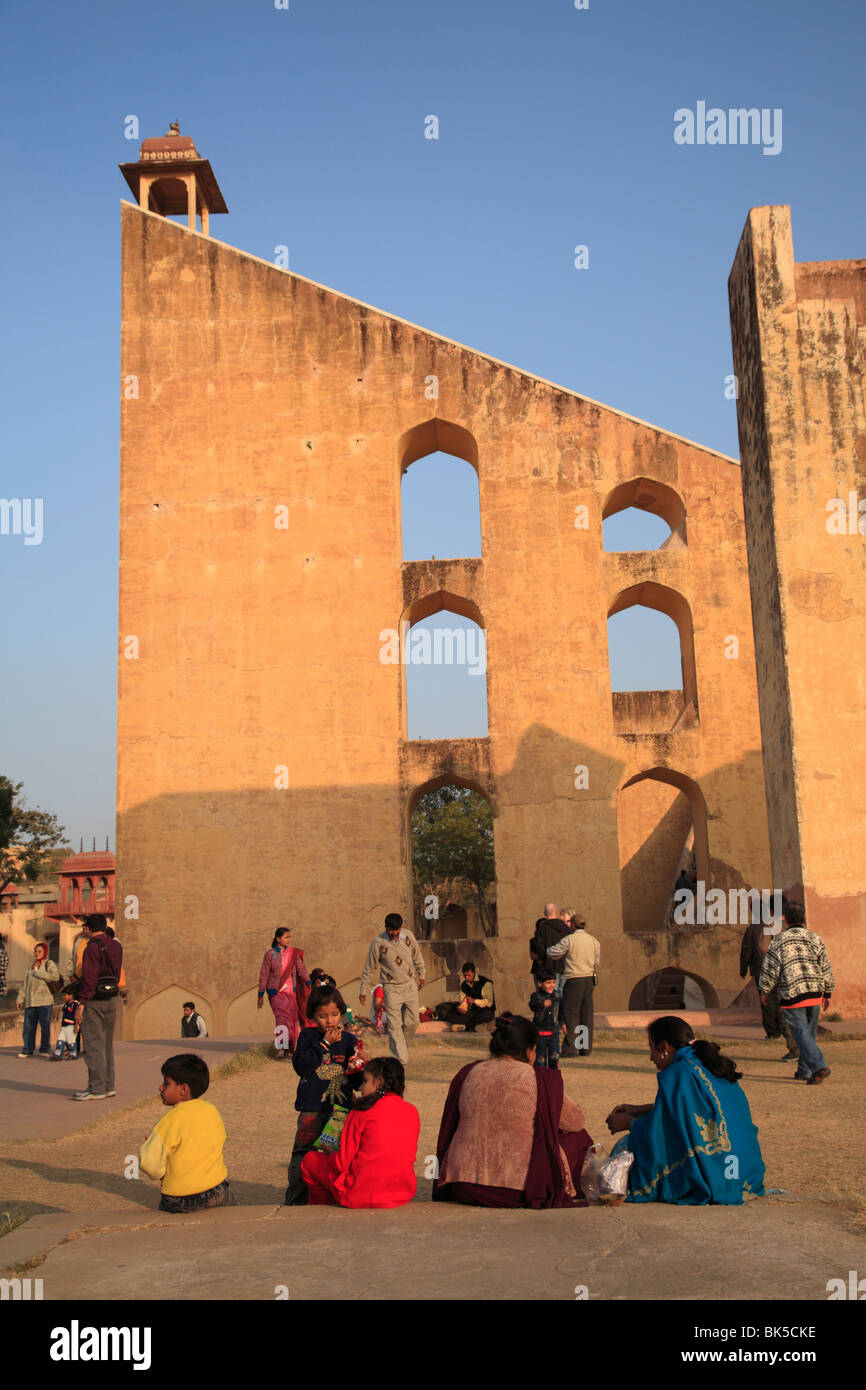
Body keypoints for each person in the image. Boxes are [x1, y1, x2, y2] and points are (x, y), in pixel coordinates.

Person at [432, 1013, 594, 1208]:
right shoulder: (537, 1078)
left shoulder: (469, 1072)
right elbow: (575, 1121)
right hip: (519, 1190)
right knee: (579, 1138)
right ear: (529, 1050)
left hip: (464, 1186)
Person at [605, 1016, 765, 1204]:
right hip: (743, 1172)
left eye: (651, 1048)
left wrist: (630, 1123)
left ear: (664, 1048)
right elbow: (689, 1111)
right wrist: (641, 1110)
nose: (650, 1057)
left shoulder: (679, 1072)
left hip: (717, 1173)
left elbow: (665, 1129)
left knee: (626, 1146)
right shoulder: (706, 1062)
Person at [301, 1056, 420, 1208]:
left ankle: (324, 1207)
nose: (360, 1088)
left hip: (363, 1194)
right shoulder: (412, 1111)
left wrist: (330, 1152)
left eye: (364, 1081)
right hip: (400, 1193)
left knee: (310, 1160)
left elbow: (341, 1164)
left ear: (379, 1083)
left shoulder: (362, 1112)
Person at [284, 985, 363, 1205]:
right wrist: (325, 1044)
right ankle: (296, 1202)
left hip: (340, 1111)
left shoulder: (349, 1041)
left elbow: (356, 1081)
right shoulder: (308, 1037)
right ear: (312, 1016)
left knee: (336, 1156)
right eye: (323, 1016)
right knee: (303, 1153)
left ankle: (330, 1197)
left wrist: (358, 1066)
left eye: (335, 1015)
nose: (330, 1021)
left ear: (342, 1014)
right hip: (312, 1109)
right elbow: (302, 1066)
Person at [138, 1053, 233, 1213]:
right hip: (217, 1188)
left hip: (182, 1198)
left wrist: (158, 1161)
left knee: (165, 1209)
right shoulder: (212, 1111)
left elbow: (149, 1164)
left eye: (166, 1083)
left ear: (183, 1090)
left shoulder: (168, 1122)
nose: (160, 1088)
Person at [758, 901, 835, 1084]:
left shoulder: (779, 941)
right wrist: (828, 991)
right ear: (803, 918)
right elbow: (825, 965)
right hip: (815, 991)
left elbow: (770, 969)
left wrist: (765, 989)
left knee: (801, 1033)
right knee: (808, 1033)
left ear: (785, 919)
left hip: (793, 993)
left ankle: (819, 1066)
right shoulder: (815, 938)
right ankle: (804, 1071)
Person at [359, 913, 425, 1066]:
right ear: (386, 927)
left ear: (401, 928)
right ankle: (401, 1062)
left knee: (413, 1022)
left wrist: (422, 975)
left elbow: (417, 957)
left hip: (409, 985)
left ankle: (402, 1049)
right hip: (391, 987)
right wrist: (363, 990)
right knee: (394, 1025)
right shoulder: (378, 942)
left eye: (396, 930)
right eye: (391, 930)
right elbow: (369, 968)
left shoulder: (408, 936)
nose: (394, 933)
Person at [73, 913, 122, 1101]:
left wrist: (81, 1003)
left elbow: (89, 978)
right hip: (111, 997)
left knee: (94, 1045)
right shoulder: (116, 945)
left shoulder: (91, 947)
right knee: (107, 1045)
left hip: (94, 1000)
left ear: (88, 928)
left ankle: (97, 1088)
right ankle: (109, 1086)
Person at [739, 912, 798, 1060]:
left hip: (764, 970)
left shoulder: (755, 928)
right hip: (784, 972)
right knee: (780, 1003)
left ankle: (775, 1033)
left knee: (768, 1003)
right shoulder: (783, 927)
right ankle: (784, 1037)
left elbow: (749, 949)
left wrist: (743, 968)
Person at [547, 914, 600, 1057]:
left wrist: (546, 950)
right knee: (586, 1014)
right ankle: (584, 1047)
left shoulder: (569, 940)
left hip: (573, 979)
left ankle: (570, 1049)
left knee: (571, 1013)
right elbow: (596, 961)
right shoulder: (594, 941)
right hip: (589, 979)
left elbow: (554, 952)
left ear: (573, 925)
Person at [257, 926, 311, 1058]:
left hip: (290, 992)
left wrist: (309, 983)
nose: (288, 940)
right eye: (286, 937)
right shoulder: (270, 955)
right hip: (275, 993)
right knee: (281, 1019)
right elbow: (264, 975)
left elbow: (302, 970)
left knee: (292, 1021)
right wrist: (260, 995)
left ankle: (291, 1047)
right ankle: (282, 1047)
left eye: (289, 937)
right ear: (278, 939)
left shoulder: (293, 954)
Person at [16, 941, 60, 1058]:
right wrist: (20, 999)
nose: (37, 953)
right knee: (28, 1028)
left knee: (45, 1026)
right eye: (35, 951)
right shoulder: (30, 967)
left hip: (44, 1001)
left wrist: (39, 973)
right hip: (31, 1002)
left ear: (44, 952)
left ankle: (45, 1049)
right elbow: (24, 985)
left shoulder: (49, 964)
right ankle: (27, 1049)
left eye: (39, 951)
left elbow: (55, 976)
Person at [436, 961, 495, 1032]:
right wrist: (463, 1007)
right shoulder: (464, 985)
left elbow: (489, 1002)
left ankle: (468, 1026)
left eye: (469, 975)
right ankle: (466, 1025)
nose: (467, 978)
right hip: (472, 1011)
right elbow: (463, 1000)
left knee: (483, 1015)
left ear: (473, 973)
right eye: (465, 975)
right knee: (451, 1015)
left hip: (485, 1010)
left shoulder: (485, 982)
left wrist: (474, 1001)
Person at [529, 904, 571, 998]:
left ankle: (554, 1013)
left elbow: (540, 949)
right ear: (556, 912)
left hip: (550, 967)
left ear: (545, 913)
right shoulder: (565, 928)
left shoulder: (543, 929)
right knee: (562, 994)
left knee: (552, 995)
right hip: (564, 965)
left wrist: (543, 959)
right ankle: (561, 1012)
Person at [529, 968, 560, 1069]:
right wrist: (542, 1004)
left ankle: (553, 1077)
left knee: (554, 1058)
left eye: (553, 982)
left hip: (554, 1033)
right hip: (539, 1034)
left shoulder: (557, 995)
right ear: (540, 983)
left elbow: (561, 1011)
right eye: (548, 982)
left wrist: (563, 1023)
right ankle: (541, 1078)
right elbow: (532, 1006)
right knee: (539, 1060)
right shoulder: (536, 996)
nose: (552, 985)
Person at [51, 985, 81, 1060]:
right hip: (64, 1026)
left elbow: (77, 1016)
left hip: (72, 1026)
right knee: (61, 1040)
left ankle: (73, 1054)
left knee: (71, 1041)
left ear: (71, 995)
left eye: (65, 995)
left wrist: (77, 1025)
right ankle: (58, 1054)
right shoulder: (65, 1005)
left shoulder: (75, 1005)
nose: (63, 997)